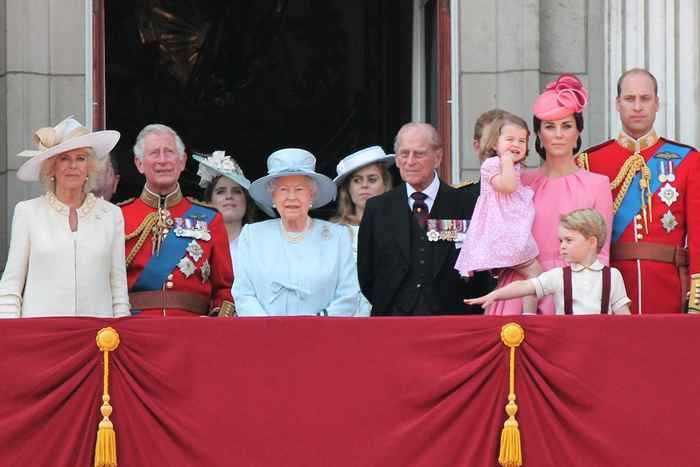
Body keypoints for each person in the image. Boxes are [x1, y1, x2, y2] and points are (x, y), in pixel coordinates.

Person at [489, 74, 613, 315]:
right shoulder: (518, 182)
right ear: (538, 134)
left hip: (576, 295)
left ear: (578, 132)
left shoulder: (598, 184)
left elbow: (602, 254)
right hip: (520, 291)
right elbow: (496, 236)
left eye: (566, 126)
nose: (558, 134)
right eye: (549, 126)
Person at [578, 68, 700, 314]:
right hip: (610, 291)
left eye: (645, 99)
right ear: (617, 104)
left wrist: (696, 294)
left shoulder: (688, 160)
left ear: (657, 103)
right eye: (629, 99)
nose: (637, 106)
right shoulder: (590, 162)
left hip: (671, 289)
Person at [357, 122, 492, 316]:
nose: (410, 161)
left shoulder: (467, 204)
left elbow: (482, 272)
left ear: (437, 157)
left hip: (454, 324)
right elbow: (367, 275)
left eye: (419, 154)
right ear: (396, 159)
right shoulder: (378, 209)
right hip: (393, 324)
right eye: (404, 154)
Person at [0, 116, 129, 318]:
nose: (73, 166)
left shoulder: (111, 215)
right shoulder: (28, 212)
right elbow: (11, 284)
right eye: (64, 158)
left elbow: (118, 286)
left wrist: (121, 331)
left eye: (80, 158)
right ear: (51, 167)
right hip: (42, 335)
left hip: (98, 336)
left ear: (89, 167)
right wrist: (10, 335)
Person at [120, 124, 234, 317]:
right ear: (139, 163)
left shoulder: (211, 219)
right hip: (136, 331)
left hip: (193, 332)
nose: (163, 160)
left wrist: (218, 322)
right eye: (154, 153)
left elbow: (224, 289)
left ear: (182, 162)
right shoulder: (118, 217)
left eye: (169, 152)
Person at [233, 148, 361, 316]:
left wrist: (316, 325)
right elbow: (243, 294)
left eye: (299, 189)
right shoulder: (252, 235)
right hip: (264, 337)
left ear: (312, 195)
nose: (291, 197)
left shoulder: (338, 236)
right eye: (284, 189)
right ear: (273, 196)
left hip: (322, 336)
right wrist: (267, 328)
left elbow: (348, 295)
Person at [454, 113, 542, 313]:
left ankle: (523, 311)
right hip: (503, 232)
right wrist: (507, 161)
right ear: (495, 143)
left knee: (529, 274)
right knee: (535, 272)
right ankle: (529, 314)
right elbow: (508, 186)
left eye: (522, 140)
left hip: (509, 229)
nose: (516, 144)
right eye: (509, 139)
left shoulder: (512, 166)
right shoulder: (493, 164)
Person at [466, 209, 631, 315]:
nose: (562, 246)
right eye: (560, 241)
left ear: (592, 242)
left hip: (599, 348)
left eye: (569, 240)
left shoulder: (612, 276)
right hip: (568, 348)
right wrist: (496, 294)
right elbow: (526, 286)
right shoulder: (559, 276)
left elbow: (624, 315)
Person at [332, 145, 394, 315]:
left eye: (372, 179)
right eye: (357, 180)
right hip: (342, 322)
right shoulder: (331, 232)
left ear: (385, 184)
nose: (364, 186)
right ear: (348, 188)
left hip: (387, 319)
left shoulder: (401, 227)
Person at [194, 150, 275, 272]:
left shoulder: (265, 243)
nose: (229, 196)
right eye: (221, 191)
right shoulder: (194, 242)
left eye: (236, 191)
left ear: (246, 201)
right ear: (209, 202)